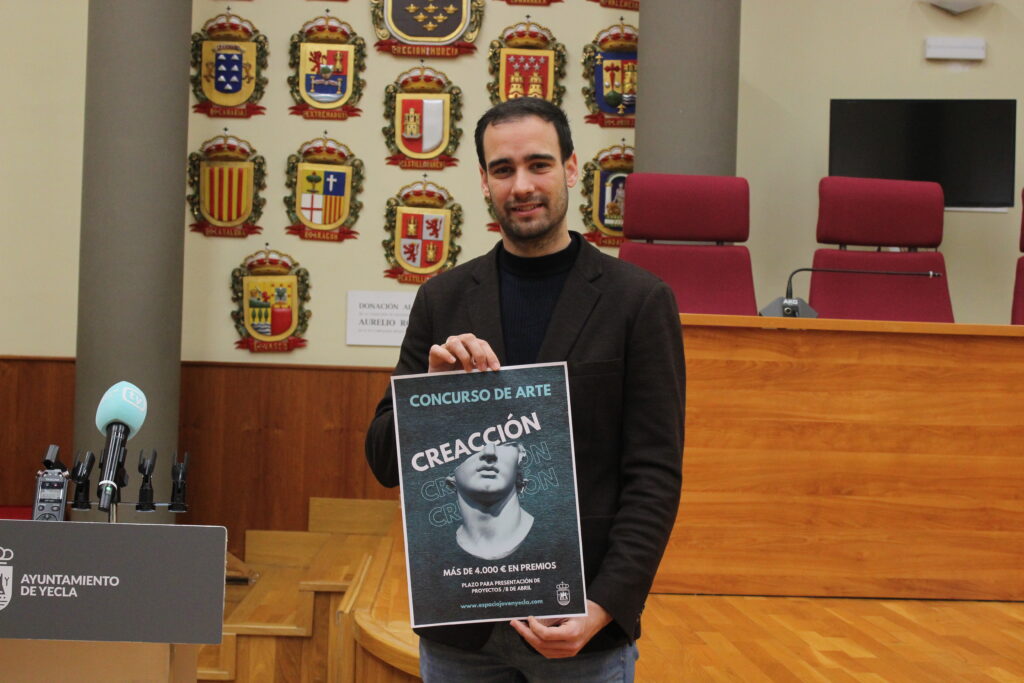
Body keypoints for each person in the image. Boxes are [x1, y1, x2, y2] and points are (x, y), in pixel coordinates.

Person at [365, 97, 685, 681]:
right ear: (483, 181)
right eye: (503, 169)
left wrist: (604, 606)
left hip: (580, 628)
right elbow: (385, 463)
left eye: (539, 165)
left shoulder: (638, 301)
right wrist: (430, 400)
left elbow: (654, 476)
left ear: (571, 168)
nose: (522, 186)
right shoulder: (442, 299)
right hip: (461, 632)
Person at [446, 441, 534, 560]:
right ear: (451, 479)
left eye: (507, 444)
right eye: (470, 445)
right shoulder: (435, 552)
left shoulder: (554, 535)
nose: (489, 452)